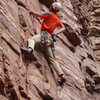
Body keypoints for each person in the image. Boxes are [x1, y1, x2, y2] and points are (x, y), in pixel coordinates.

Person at [21, 2, 66, 85]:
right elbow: (63, 28)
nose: (50, 6)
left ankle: (30, 49)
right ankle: (62, 76)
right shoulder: (57, 19)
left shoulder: (49, 13)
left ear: (53, 7)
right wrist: (55, 33)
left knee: (32, 39)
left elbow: (39, 14)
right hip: (50, 39)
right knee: (51, 59)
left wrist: (31, 12)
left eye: (51, 5)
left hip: (44, 35)